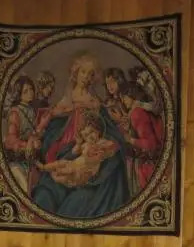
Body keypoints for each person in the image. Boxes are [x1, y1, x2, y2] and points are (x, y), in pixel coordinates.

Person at [30, 52, 129, 219]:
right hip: (68, 139)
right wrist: (42, 129)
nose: (86, 77)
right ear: (76, 72)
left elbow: (105, 123)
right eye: (83, 72)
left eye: (91, 74)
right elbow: (52, 116)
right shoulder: (69, 97)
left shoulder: (95, 100)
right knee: (59, 168)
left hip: (88, 141)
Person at [37, 114, 118, 188]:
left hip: (84, 170)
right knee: (61, 163)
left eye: (92, 132)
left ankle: (58, 173)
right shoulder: (85, 145)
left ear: (98, 132)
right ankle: (44, 167)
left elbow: (111, 147)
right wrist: (78, 143)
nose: (90, 136)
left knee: (67, 172)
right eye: (86, 135)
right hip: (75, 164)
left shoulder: (101, 143)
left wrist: (102, 149)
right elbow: (75, 152)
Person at [118, 80, 164, 195]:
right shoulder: (136, 111)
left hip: (147, 167)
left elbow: (150, 144)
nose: (123, 101)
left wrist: (130, 139)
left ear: (131, 95)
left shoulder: (137, 113)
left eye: (124, 97)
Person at [2, 75, 41, 192]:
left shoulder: (31, 110)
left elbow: (34, 132)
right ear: (19, 95)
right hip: (18, 159)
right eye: (25, 91)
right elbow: (10, 140)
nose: (30, 93)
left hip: (31, 158)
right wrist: (26, 145)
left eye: (31, 89)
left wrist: (36, 140)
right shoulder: (15, 112)